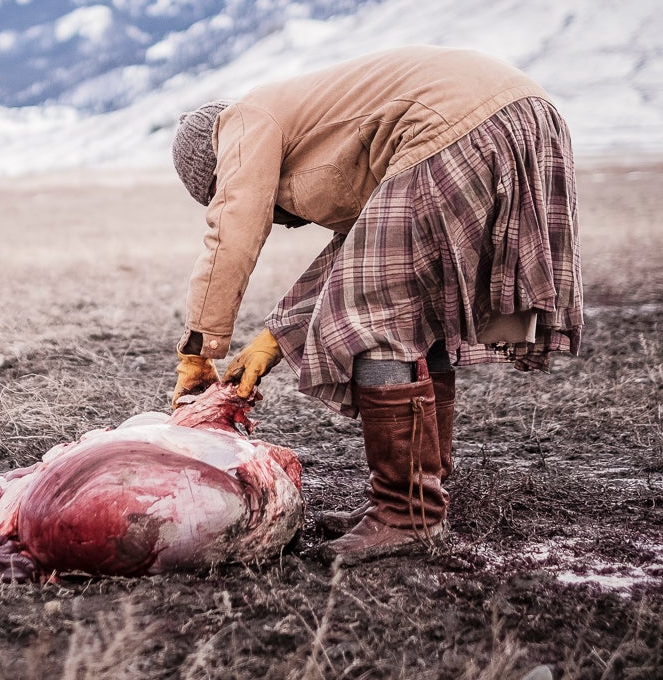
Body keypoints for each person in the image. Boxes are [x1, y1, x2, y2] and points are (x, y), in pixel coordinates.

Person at [169, 46, 583, 563]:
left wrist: (200, 349)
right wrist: (273, 338)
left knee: (374, 318)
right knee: (411, 309)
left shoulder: (242, 124)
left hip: (457, 126)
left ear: (218, 170)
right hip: (522, 116)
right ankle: (418, 494)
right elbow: (358, 258)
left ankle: (406, 515)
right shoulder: (324, 133)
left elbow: (232, 229)